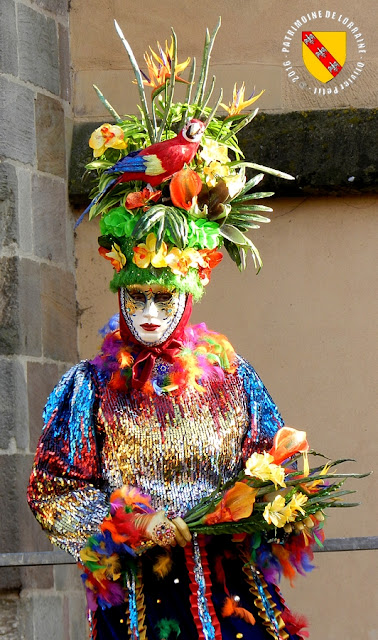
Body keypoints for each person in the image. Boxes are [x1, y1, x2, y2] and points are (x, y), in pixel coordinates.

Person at [27, 22, 309, 640]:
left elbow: (271, 463)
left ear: (185, 299)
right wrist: (132, 521)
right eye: (139, 299)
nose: (151, 314)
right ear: (121, 294)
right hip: (138, 602)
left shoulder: (232, 376)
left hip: (233, 599)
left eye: (164, 299)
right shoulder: (88, 387)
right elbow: (53, 488)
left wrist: (270, 497)